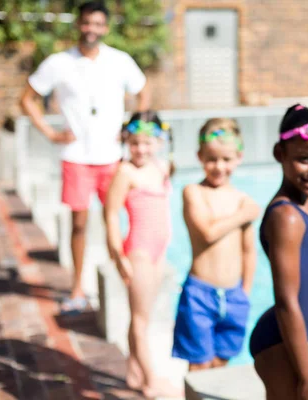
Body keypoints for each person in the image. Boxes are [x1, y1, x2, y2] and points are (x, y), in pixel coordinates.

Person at [19, 1, 150, 313]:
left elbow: (144, 91)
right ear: (78, 25)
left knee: (116, 221)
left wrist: (132, 128)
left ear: (105, 28)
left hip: (112, 157)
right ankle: (78, 287)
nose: (91, 29)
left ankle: (122, 282)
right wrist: (50, 134)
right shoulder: (58, 63)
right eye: (86, 23)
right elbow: (27, 99)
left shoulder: (120, 61)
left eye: (97, 24)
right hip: (76, 157)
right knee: (79, 224)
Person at [249, 104, 308, 400]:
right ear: (279, 154)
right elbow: (287, 301)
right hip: (279, 343)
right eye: (304, 159)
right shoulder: (286, 216)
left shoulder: (303, 204)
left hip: (297, 339)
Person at [172, 118, 260, 371]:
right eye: (211, 159)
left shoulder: (242, 199)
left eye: (226, 159)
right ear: (200, 156)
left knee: (221, 364)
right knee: (198, 367)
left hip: (234, 295)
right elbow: (208, 233)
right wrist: (244, 214)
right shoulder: (193, 192)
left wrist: (245, 292)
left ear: (239, 157)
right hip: (199, 293)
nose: (219, 167)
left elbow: (248, 251)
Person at [105, 111, 182, 398]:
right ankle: (152, 380)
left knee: (143, 315)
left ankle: (134, 371)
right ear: (126, 141)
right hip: (137, 251)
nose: (141, 149)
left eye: (148, 143)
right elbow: (111, 215)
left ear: (159, 142)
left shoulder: (161, 168)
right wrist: (118, 256)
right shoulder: (125, 172)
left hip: (159, 251)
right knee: (140, 319)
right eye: (135, 143)